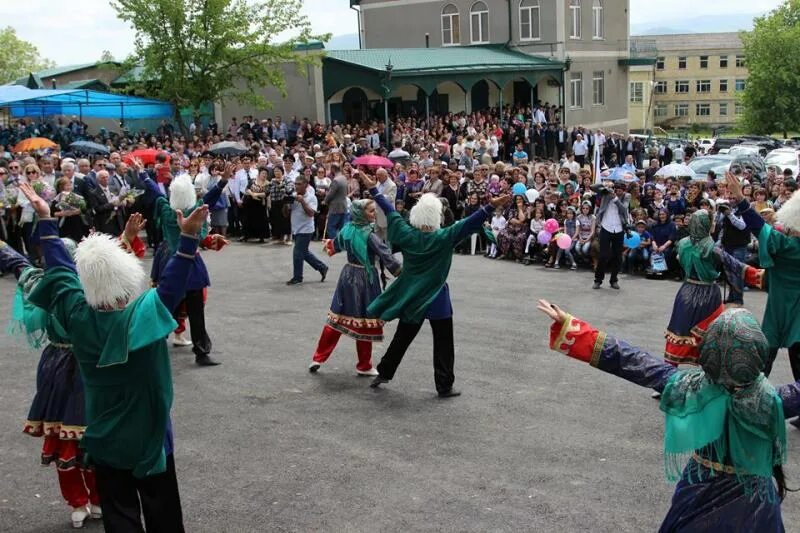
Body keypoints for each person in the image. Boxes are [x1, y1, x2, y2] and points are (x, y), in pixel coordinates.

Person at [20, 182, 210, 533]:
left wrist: (46, 221)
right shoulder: (145, 315)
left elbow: (62, 274)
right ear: (126, 280)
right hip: (151, 437)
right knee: (164, 514)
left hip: (104, 437)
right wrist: (188, 240)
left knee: (119, 515)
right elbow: (172, 282)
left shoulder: (78, 316)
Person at [538, 301, 793, 531]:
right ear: (757, 352)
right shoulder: (774, 401)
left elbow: (632, 361)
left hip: (699, 490)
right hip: (755, 500)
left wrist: (573, 328)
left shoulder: (689, 388)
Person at [360, 172, 510, 397]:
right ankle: (444, 385)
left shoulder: (406, 233)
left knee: (403, 336)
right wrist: (489, 206)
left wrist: (374, 190)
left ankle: (384, 372)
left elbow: (390, 212)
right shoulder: (444, 237)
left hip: (411, 296)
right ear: (436, 216)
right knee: (443, 342)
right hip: (436, 296)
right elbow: (469, 223)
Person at [143, 160, 231, 366]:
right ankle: (201, 351)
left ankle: (153, 347)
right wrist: (222, 182)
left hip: (170, 263)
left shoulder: (166, 209)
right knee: (195, 309)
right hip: (190, 263)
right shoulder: (193, 211)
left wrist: (144, 175)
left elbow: (156, 192)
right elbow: (209, 198)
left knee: (165, 306)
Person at [309, 199, 402, 375]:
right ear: (362, 213)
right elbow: (386, 256)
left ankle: (318, 357)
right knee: (365, 320)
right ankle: (364, 365)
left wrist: (328, 243)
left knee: (337, 316)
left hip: (347, 275)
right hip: (365, 279)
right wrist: (402, 274)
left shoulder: (348, 229)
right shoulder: (370, 236)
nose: (374, 214)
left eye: (374, 211)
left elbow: (333, 247)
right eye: (371, 211)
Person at [727, 173, 800, 381]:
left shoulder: (788, 246)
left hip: (780, 309)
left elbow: (759, 228)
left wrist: (741, 199)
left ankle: (752, 401)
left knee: (764, 359)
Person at [287, 175, 328, 285]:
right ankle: (322, 267)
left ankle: (297, 277)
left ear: (306, 185)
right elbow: (286, 213)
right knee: (303, 253)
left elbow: (311, 214)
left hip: (306, 229)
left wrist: (303, 202)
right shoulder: (293, 195)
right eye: (295, 184)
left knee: (297, 253)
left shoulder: (311, 197)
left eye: (299, 184)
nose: (296, 186)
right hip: (296, 228)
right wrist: (286, 204)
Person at [592, 182, 630, 289]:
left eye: (621, 190)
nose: (619, 192)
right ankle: (598, 280)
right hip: (606, 227)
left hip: (619, 228)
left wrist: (616, 199)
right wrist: (604, 184)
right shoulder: (606, 193)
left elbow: (624, 209)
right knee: (603, 255)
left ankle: (614, 280)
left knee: (617, 256)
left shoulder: (626, 196)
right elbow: (593, 187)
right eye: (617, 190)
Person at [241, 168, 270, 243]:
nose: (264, 175)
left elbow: (266, 193)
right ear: (259, 174)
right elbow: (247, 189)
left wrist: (256, 194)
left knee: (261, 220)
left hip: (260, 204)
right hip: (249, 203)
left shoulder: (268, 183)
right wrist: (252, 194)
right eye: (263, 173)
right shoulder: (253, 180)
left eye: (266, 174)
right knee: (247, 219)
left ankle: (261, 237)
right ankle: (246, 236)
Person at [324, 163, 349, 240]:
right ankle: (342, 243)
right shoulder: (344, 178)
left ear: (333, 169)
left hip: (335, 207)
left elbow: (331, 194)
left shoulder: (336, 180)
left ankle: (335, 244)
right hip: (343, 205)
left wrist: (325, 201)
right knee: (342, 226)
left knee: (331, 226)